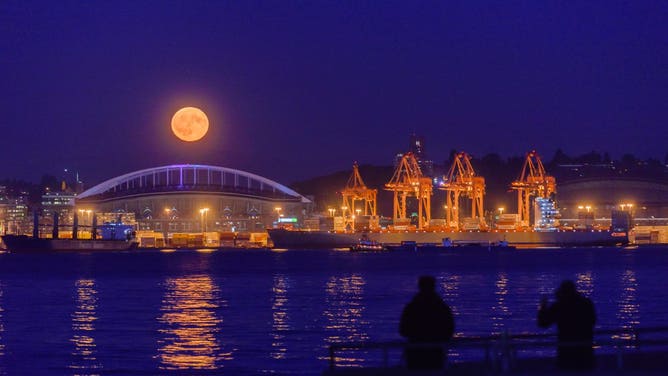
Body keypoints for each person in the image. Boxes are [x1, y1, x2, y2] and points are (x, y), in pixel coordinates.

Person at [538, 280, 596, 371]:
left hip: (566, 351)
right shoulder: (587, 303)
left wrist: (542, 307)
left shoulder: (559, 306)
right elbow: (593, 321)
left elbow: (542, 323)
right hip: (586, 350)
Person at [399, 275, 455, 370]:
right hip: (436, 351)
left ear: (419, 286)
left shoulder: (411, 308)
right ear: (434, 286)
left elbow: (402, 330)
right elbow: (450, 329)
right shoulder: (442, 308)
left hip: (415, 351)